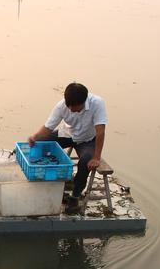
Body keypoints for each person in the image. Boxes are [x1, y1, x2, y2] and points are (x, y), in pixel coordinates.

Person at [28, 82, 107, 213]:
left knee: (86, 161)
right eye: (68, 106)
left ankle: (75, 196)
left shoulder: (97, 103)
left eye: (74, 107)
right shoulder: (62, 106)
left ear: (84, 101)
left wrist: (97, 157)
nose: (71, 109)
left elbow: (100, 131)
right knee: (41, 142)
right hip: (68, 134)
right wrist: (35, 137)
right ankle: (47, 180)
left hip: (87, 140)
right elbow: (49, 127)